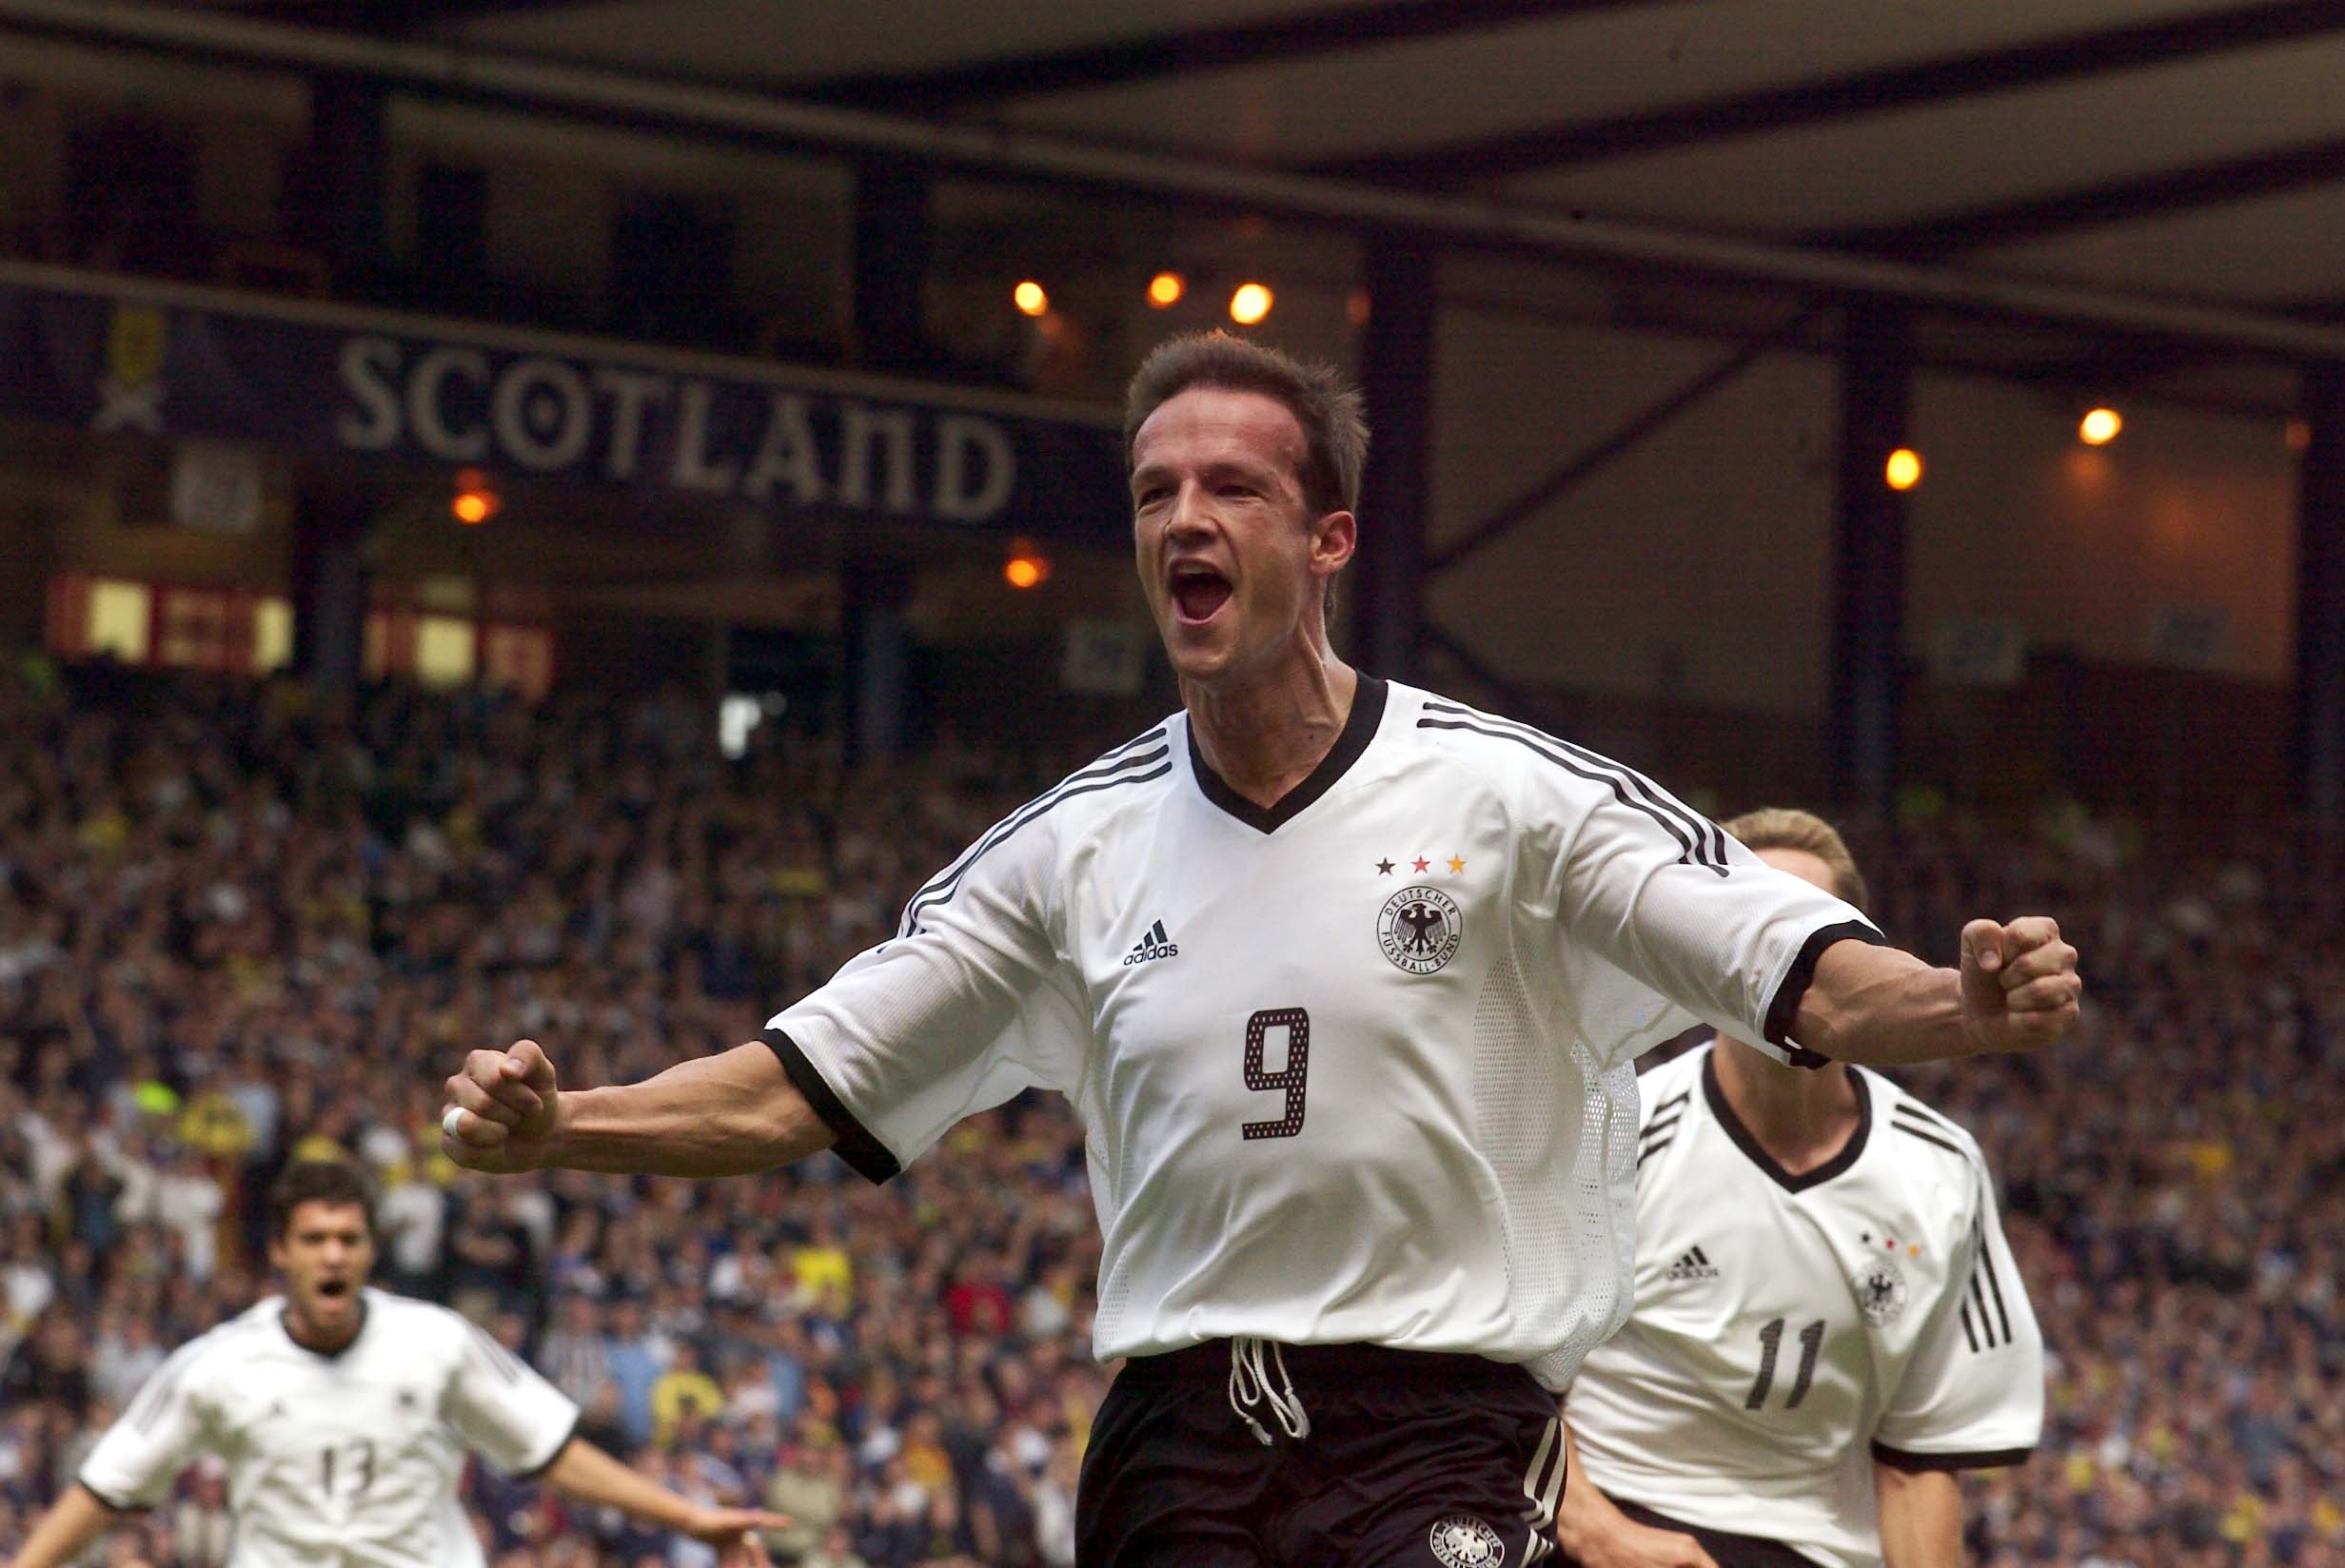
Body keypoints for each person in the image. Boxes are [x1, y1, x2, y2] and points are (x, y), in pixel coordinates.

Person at [441, 332, 2082, 1567]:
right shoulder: (1066, 851)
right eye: (1155, 490)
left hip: (1436, 1430)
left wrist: (1955, 1003)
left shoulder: (1511, 800)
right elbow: (803, 1084)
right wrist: (565, 1121)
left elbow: (1788, 962)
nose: (1183, 516)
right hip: (1175, 1442)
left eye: (1230, 486)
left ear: (1328, 542)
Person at [1556, 811, 2044, 1568]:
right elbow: (1508, 1376)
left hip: (1815, 1548)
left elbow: (1917, 1459)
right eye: (1760, 941)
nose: (1788, 972)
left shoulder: (1941, 1170)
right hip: (1611, 1516)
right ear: (1700, 959)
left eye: (1814, 944)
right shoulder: (1617, 1127)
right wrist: (1600, 1535)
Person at [4, 1161, 787, 1568]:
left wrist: (687, 1518)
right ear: (280, 1251)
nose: (333, 1254)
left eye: (349, 1238)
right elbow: (104, 1489)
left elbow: (548, 1453)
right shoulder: (214, 1365)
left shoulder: (439, 1341)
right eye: (314, 1240)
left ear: (371, 1249)